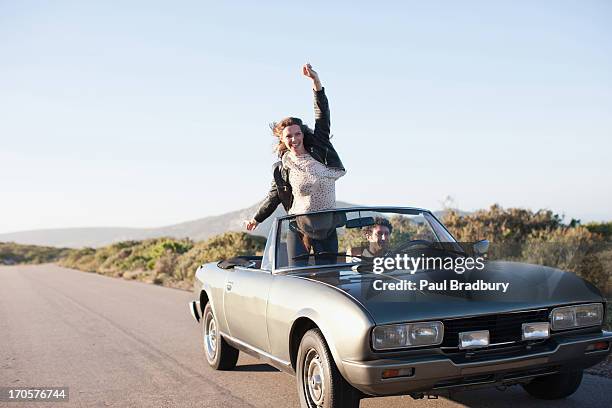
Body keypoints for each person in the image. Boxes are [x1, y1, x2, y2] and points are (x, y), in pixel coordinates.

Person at [245, 64, 346, 265]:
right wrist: (256, 219)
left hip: (326, 225)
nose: (294, 139)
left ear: (303, 134)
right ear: (282, 139)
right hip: (298, 226)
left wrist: (316, 83)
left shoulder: (319, 149)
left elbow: (322, 116)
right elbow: (274, 196)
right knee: (296, 275)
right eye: (289, 136)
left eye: (297, 133)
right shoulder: (283, 167)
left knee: (329, 275)